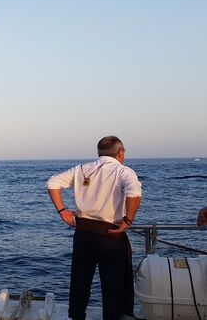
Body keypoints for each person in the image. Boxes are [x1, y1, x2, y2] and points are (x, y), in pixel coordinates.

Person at [46, 136, 142, 320]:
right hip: (110, 234)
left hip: (83, 232)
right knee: (113, 283)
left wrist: (62, 210)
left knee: (80, 279)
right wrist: (128, 220)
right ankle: (112, 317)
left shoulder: (82, 169)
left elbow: (53, 183)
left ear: (99, 152)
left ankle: (76, 316)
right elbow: (134, 193)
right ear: (120, 152)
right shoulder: (124, 172)